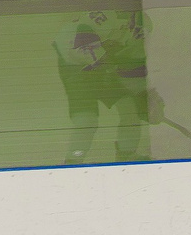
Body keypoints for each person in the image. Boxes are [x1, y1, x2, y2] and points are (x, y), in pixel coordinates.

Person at [52, 12, 151, 164]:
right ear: (130, 28)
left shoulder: (119, 30)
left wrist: (144, 100)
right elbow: (107, 65)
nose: (139, 42)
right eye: (138, 37)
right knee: (87, 120)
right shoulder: (93, 29)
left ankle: (126, 154)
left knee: (130, 109)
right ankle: (72, 163)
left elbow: (130, 69)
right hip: (75, 66)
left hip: (95, 57)